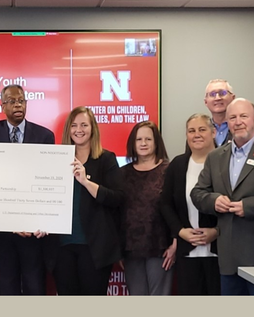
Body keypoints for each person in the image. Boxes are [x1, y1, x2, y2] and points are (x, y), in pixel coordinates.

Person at [191, 99, 254, 296]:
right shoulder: (215, 157)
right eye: (232, 118)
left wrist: (248, 206)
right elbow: (198, 193)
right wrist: (214, 201)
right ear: (226, 123)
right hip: (229, 259)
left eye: (243, 116)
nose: (238, 122)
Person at [0, 84, 54, 295]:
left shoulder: (44, 136)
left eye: (21, 100)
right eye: (12, 101)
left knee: (35, 286)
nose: (17, 105)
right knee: (7, 287)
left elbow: (46, 183)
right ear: (3, 106)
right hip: (3, 230)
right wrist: (11, 220)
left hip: (33, 232)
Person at [47, 106, 123, 295]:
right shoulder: (57, 159)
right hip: (62, 247)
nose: (78, 130)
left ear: (93, 128)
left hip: (94, 248)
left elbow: (117, 198)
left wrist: (86, 182)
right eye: (74, 125)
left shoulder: (106, 159)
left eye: (84, 125)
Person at [160, 114, 220, 295]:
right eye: (191, 131)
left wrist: (217, 231)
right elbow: (165, 204)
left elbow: (233, 204)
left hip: (220, 252)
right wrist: (180, 231)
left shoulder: (226, 163)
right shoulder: (178, 165)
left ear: (214, 132)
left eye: (202, 129)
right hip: (187, 252)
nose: (197, 135)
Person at [120, 120, 175, 295]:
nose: (143, 143)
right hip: (130, 249)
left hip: (161, 247)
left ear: (156, 142)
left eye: (148, 139)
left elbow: (177, 208)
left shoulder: (169, 170)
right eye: (139, 139)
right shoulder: (123, 173)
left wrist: (175, 244)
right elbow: (117, 212)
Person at [204, 79, 254, 147]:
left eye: (222, 93)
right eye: (212, 94)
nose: (217, 98)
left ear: (233, 98)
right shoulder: (200, 131)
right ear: (206, 102)